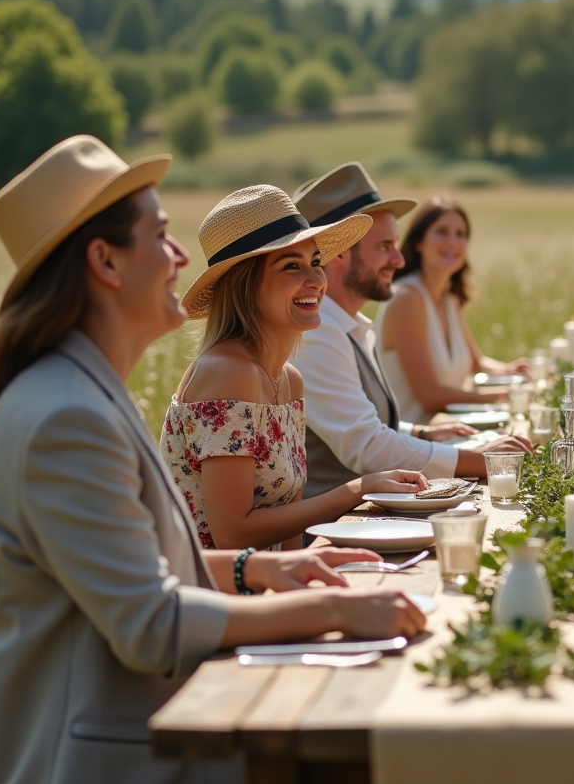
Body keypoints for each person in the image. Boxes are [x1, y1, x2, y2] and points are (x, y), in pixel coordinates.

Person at [0, 136, 425, 784]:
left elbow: (145, 566)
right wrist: (333, 611)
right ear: (104, 261)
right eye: (160, 235)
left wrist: (264, 566)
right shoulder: (64, 418)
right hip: (109, 764)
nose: (180, 256)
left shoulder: (80, 392)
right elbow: (151, 624)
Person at [161, 184, 429, 550]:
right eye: (292, 266)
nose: (316, 280)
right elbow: (233, 533)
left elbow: (287, 533)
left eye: (316, 262)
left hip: (268, 589)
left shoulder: (288, 381)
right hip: (216, 599)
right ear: (246, 285)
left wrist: (303, 576)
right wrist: (357, 490)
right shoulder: (228, 372)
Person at [291, 164, 531, 494]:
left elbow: (360, 422)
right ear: (340, 252)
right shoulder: (317, 334)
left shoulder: (350, 326)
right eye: (384, 247)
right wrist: (481, 459)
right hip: (333, 532)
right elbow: (368, 447)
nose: (398, 260)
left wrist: (419, 433)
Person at [375, 195, 527, 424]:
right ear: (419, 242)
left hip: (450, 430)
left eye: (460, 235)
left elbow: (476, 364)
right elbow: (430, 396)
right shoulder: (405, 299)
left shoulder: (449, 298)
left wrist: (512, 372)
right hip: (411, 444)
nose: (452, 242)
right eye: (442, 232)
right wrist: (507, 396)